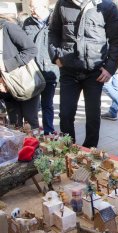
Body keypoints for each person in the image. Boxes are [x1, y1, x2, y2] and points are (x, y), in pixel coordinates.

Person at [48, 0, 118, 148]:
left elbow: (117, 40)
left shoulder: (107, 6)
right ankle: (69, 150)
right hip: (68, 70)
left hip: (95, 70)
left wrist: (110, 67)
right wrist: (56, 57)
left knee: (93, 117)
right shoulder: (62, 3)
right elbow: (53, 32)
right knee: (65, 114)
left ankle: (89, 152)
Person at [23, 0, 59, 135]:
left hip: (50, 69)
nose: (31, 9)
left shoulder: (55, 20)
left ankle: (48, 131)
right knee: (32, 104)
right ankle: (32, 131)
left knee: (47, 103)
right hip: (32, 70)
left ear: (44, 6)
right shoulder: (27, 22)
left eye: (34, 7)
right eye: (30, 7)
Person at [0, 12, 39, 129]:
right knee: (14, 124)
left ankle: (33, 146)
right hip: (6, 86)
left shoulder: (8, 27)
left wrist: (7, 64)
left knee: (30, 123)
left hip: (23, 83)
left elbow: (31, 49)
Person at [100, 0, 118, 125]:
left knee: (104, 83)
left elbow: (113, 38)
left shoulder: (111, 14)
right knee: (116, 85)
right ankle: (113, 111)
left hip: (112, 57)